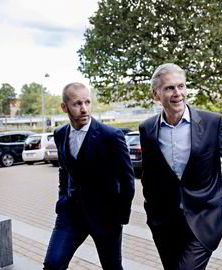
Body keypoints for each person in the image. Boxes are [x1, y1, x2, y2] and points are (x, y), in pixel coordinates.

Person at [139, 63, 222, 270]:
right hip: (164, 223)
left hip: (205, 220)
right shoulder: (147, 129)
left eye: (181, 86)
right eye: (170, 88)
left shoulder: (212, 123)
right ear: (156, 94)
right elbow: (149, 176)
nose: (178, 93)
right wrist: (151, 213)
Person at [43, 82, 135, 270]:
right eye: (77, 104)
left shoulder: (110, 135)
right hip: (71, 215)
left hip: (105, 218)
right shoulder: (60, 133)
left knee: (112, 267)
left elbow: (128, 181)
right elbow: (64, 171)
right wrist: (63, 199)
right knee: (53, 264)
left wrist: (119, 217)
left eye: (87, 102)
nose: (84, 109)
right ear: (64, 107)